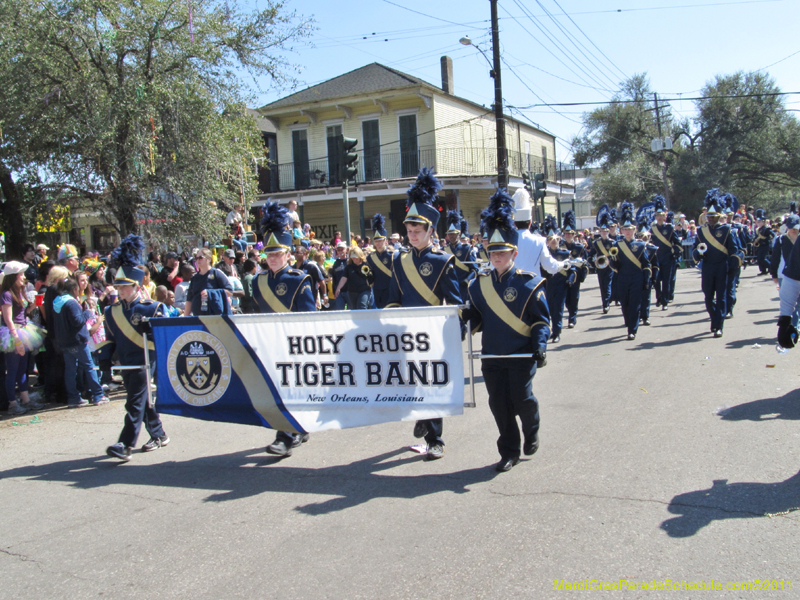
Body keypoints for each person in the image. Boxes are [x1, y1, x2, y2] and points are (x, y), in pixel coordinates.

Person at [464, 188, 550, 472]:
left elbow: (541, 321)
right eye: (492, 252)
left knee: (522, 400)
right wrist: (467, 317)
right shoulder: (478, 284)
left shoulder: (529, 284)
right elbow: (478, 317)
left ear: (514, 252)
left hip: (521, 355)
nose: (496, 257)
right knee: (499, 406)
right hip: (492, 356)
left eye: (502, 252)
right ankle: (509, 452)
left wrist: (540, 346)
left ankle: (532, 428)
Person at [385, 168, 462, 461]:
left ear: (430, 231)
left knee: (430, 385)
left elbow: (454, 301)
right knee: (410, 384)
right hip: (406, 335)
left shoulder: (443, 261)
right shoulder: (398, 260)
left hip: (432, 335)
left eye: (418, 231)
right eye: (409, 230)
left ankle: (435, 439)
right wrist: (392, 324)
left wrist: (455, 328)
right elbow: (392, 299)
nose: (412, 235)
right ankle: (421, 416)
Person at [253, 202, 316, 458]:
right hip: (270, 343)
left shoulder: (299, 279)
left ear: (288, 254)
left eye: (277, 254)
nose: (272, 259)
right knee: (279, 390)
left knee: (291, 389)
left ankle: (285, 437)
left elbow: (309, 317)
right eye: (269, 254)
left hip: (294, 344)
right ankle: (299, 428)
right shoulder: (258, 281)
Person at [105, 235, 169, 462]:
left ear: (136, 286)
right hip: (126, 362)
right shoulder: (111, 311)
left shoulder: (152, 308)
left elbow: (164, 336)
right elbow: (111, 339)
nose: (120, 291)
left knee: (134, 402)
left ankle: (125, 444)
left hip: (145, 360)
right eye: (118, 287)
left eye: (125, 287)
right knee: (141, 400)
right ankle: (159, 434)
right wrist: (105, 361)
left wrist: (150, 329)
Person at [692, 190, 742, 338]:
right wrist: (699, 253)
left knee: (721, 297)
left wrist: (732, 265)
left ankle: (718, 325)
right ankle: (715, 319)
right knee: (708, 297)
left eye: (714, 216)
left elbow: (734, 250)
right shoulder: (701, 231)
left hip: (722, 266)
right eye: (709, 216)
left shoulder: (727, 230)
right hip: (708, 267)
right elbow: (695, 249)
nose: (711, 219)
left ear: (719, 216)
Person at [53, 277, 109, 408]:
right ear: (74, 289)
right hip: (77, 341)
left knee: (70, 370)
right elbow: (77, 321)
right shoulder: (71, 303)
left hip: (64, 342)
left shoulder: (57, 302)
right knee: (89, 367)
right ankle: (98, 395)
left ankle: (73, 398)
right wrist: (87, 313)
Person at [1, 262, 46, 415]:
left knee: (22, 368)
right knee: (13, 369)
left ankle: (26, 399)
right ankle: (12, 403)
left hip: (24, 329)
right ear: (13, 276)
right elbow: (8, 319)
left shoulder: (19, 292)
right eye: (20, 274)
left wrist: (34, 305)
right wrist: (16, 339)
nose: (23, 277)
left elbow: (23, 313)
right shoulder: (6, 294)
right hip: (14, 333)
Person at [608, 203, 656, 341]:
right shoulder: (617, 245)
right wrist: (613, 259)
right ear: (622, 231)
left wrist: (647, 280)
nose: (627, 232)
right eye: (625, 229)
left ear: (634, 230)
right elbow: (614, 265)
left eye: (630, 229)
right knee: (625, 304)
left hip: (636, 278)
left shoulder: (641, 245)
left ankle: (632, 330)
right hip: (623, 278)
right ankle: (629, 324)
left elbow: (646, 264)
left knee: (635, 304)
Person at [510, 188, 566, 277]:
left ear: (514, 223)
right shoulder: (538, 241)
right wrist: (563, 264)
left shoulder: (507, 240)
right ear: (530, 223)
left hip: (511, 284)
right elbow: (550, 267)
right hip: (533, 283)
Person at [650, 196, 682, 310]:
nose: (660, 217)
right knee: (656, 280)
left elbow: (677, 243)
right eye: (658, 215)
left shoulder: (670, 228)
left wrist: (675, 253)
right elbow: (649, 243)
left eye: (662, 215)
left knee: (666, 280)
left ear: (665, 217)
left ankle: (665, 302)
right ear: (655, 217)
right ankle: (659, 297)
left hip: (668, 258)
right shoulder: (652, 229)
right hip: (656, 258)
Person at [184, 248, 233, 316]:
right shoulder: (194, 278)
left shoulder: (216, 273)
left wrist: (210, 293)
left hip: (214, 316)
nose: (198, 260)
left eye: (200, 258)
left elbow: (230, 292)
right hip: (197, 316)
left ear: (209, 259)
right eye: (196, 258)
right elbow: (189, 300)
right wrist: (185, 318)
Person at [559, 210, 587, 329]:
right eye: (566, 234)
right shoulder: (560, 246)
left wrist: (582, 275)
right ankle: (571, 313)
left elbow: (585, 262)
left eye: (570, 234)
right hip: (563, 275)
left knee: (574, 298)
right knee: (566, 299)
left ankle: (572, 318)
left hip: (575, 276)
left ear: (574, 234)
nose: (568, 236)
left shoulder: (579, 247)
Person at [443, 210, 478, 301]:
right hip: (449, 288)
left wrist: (467, 280)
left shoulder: (467, 249)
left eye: (453, 234)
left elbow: (474, 269)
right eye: (449, 234)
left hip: (463, 287)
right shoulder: (444, 249)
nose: (451, 236)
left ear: (458, 234)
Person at [365, 214, 394, 309]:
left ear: (385, 241)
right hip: (377, 289)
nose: (378, 243)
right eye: (376, 241)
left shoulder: (392, 255)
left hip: (390, 288)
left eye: (380, 241)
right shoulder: (370, 257)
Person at [591, 213, 614, 313]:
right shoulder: (596, 243)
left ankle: (606, 304)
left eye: (606, 231)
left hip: (610, 266)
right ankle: (605, 302)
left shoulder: (612, 242)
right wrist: (593, 262)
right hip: (600, 266)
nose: (604, 233)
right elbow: (591, 254)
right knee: (602, 286)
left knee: (607, 284)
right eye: (602, 231)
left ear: (608, 231)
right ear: (600, 232)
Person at [753, 209, 774, 275]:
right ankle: (763, 270)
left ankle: (772, 267)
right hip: (759, 245)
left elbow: (772, 235)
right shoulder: (758, 229)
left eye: (760, 221)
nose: (758, 223)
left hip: (765, 244)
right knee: (759, 258)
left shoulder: (767, 228)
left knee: (763, 258)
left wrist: (766, 238)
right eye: (758, 221)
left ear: (763, 221)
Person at [329, 242, 349, 310]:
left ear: (346, 250)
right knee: (340, 311)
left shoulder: (350, 261)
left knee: (351, 311)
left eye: (342, 249)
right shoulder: (336, 263)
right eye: (338, 250)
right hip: (339, 292)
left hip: (349, 291)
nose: (340, 251)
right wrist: (334, 290)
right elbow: (334, 277)